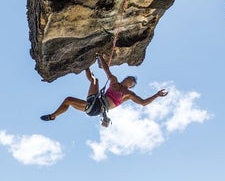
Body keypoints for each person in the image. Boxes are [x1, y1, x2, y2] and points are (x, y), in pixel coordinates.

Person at [40, 54, 168, 127]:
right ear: (126, 78)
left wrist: (156, 95)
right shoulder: (114, 81)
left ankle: (53, 115)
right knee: (91, 82)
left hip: (97, 108)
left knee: (71, 99)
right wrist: (100, 56)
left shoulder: (128, 94)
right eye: (129, 78)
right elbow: (106, 69)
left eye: (132, 82)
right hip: (94, 99)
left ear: (131, 86)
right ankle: (53, 116)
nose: (130, 81)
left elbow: (144, 103)